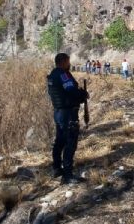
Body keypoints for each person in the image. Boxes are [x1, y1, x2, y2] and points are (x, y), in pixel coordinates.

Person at [47, 53, 89, 184]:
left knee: (60, 140)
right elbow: (71, 90)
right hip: (68, 113)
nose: (69, 64)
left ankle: (56, 168)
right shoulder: (63, 74)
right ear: (64, 61)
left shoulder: (53, 75)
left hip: (59, 112)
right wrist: (83, 94)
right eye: (68, 61)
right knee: (70, 141)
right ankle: (68, 175)